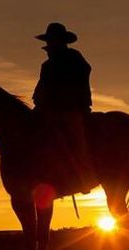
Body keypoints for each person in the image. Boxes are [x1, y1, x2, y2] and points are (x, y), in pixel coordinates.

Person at [32, 22, 96, 194]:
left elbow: (79, 81)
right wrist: (39, 103)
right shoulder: (46, 66)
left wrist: (59, 99)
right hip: (48, 110)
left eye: (53, 41)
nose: (50, 45)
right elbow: (40, 90)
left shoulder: (74, 59)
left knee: (75, 134)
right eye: (49, 41)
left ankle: (84, 175)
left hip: (73, 109)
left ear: (61, 41)